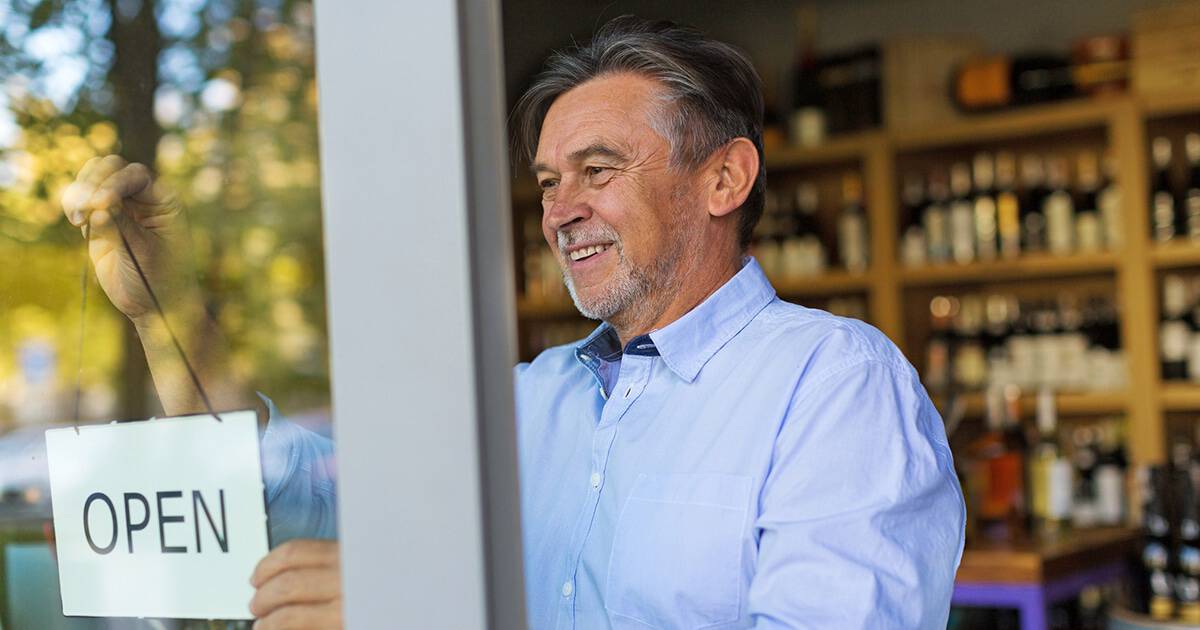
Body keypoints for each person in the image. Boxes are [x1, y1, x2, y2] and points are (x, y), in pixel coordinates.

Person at [62, 15, 964, 630]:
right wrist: (171, 319)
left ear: (724, 179)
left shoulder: (835, 384)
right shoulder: (522, 402)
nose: (558, 212)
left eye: (598, 170)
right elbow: (287, 495)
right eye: (546, 182)